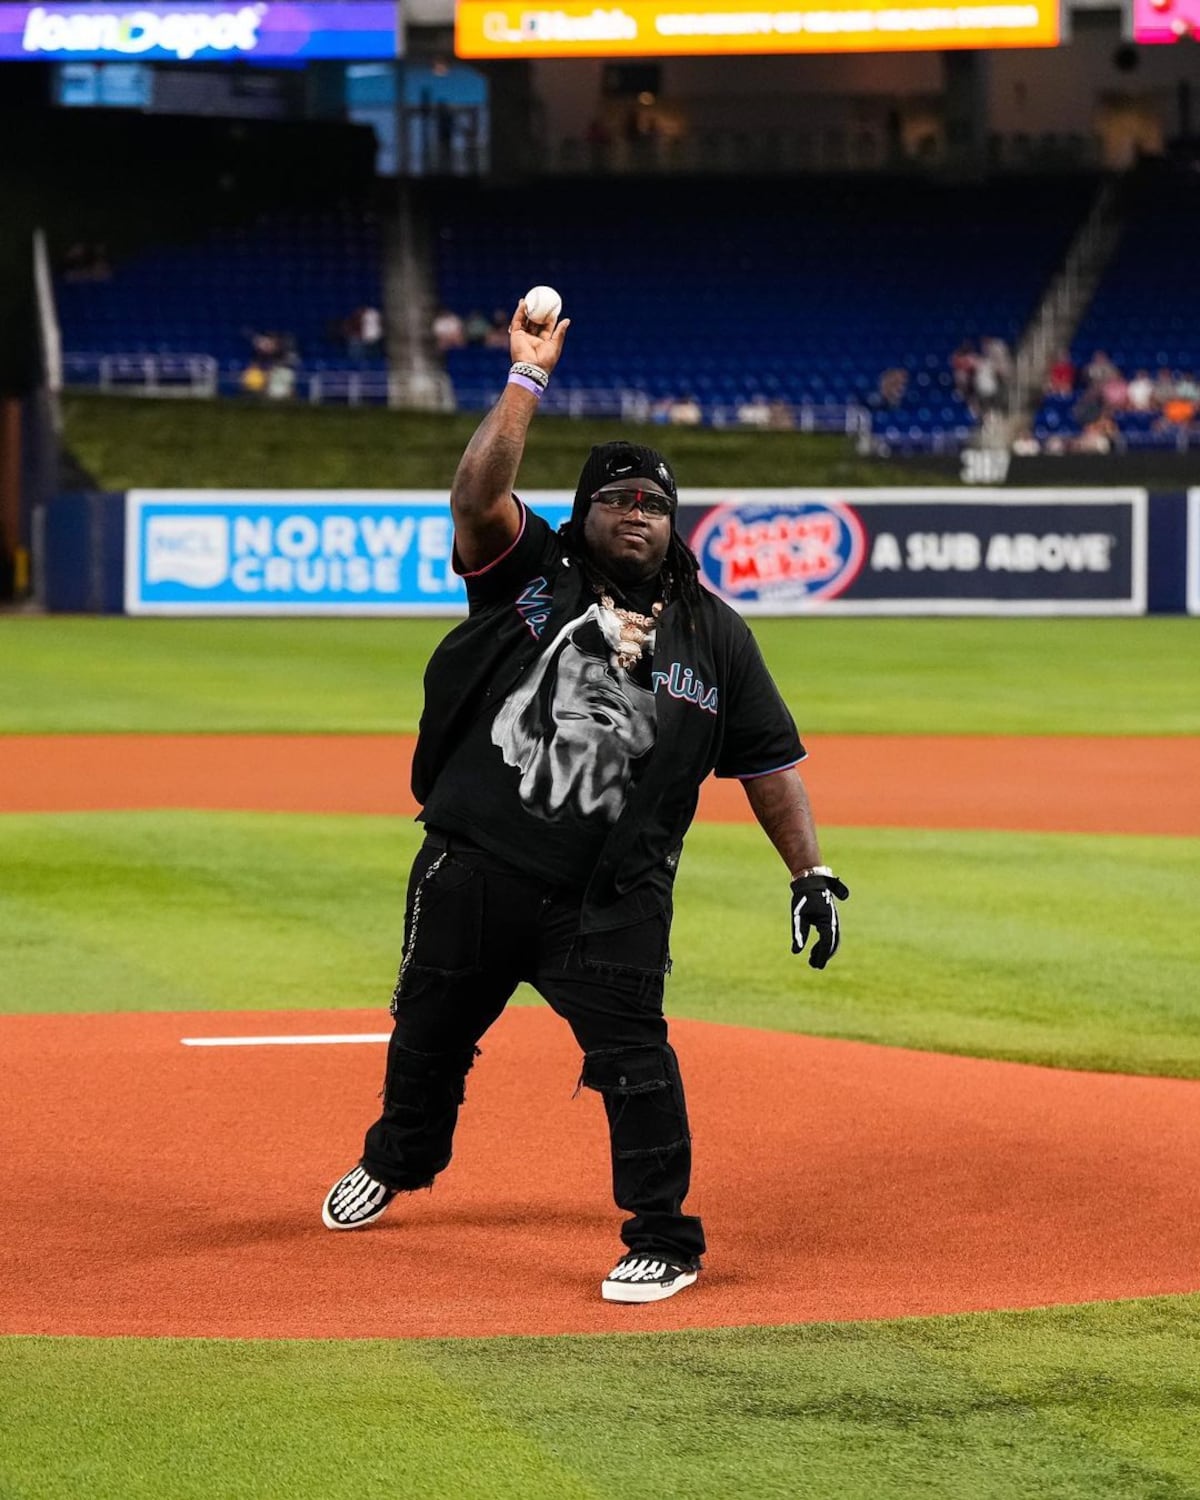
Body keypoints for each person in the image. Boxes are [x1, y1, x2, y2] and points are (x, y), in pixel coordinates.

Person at [321, 296, 848, 1304]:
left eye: (653, 501)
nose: (635, 512)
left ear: (674, 520)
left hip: (611, 898)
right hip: (474, 869)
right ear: (585, 512)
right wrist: (526, 377)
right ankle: (399, 1158)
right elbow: (477, 497)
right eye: (616, 499)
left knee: (635, 1062)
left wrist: (810, 870)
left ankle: (664, 1238)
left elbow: (769, 761)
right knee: (427, 1035)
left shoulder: (716, 635)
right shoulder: (531, 573)